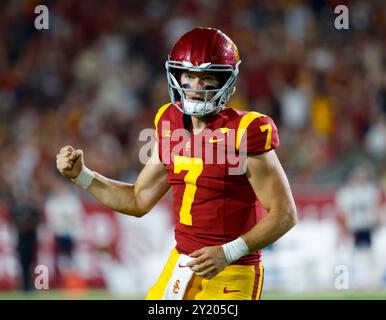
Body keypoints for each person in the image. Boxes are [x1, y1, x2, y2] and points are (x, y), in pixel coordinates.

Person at [56, 27, 297, 300]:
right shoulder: (170, 122)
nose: (196, 88)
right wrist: (83, 176)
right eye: (189, 77)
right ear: (176, 77)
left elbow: (285, 213)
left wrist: (229, 251)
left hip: (232, 270)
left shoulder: (245, 131)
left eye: (206, 78)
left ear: (225, 82)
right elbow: (137, 199)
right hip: (182, 265)